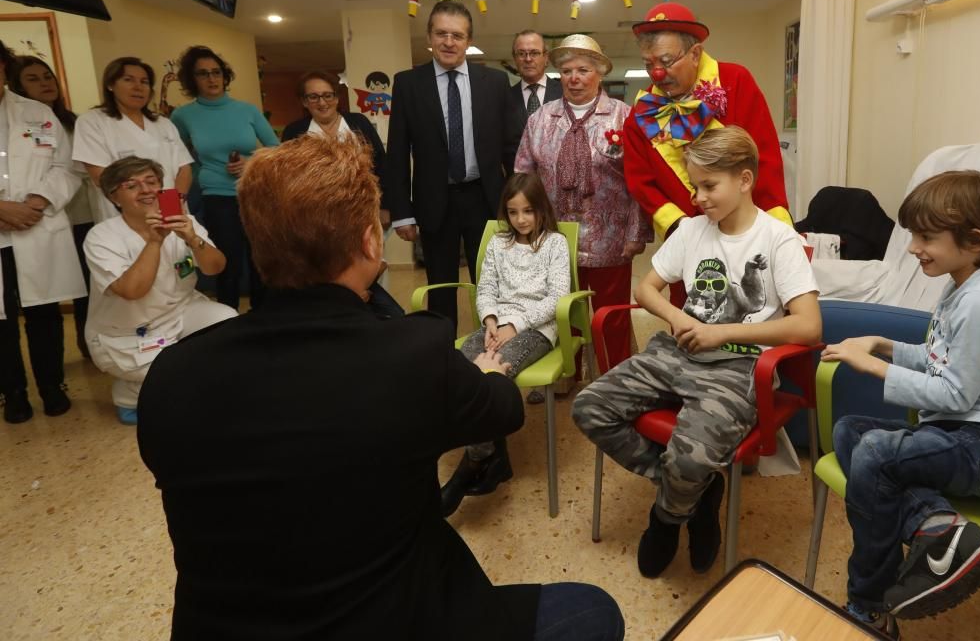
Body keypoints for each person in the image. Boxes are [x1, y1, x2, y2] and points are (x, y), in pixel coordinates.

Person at [136, 134, 624, 641]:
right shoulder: (411, 357)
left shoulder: (172, 375)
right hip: (395, 617)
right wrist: (491, 368)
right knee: (593, 611)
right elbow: (501, 407)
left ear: (258, 245)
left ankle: (482, 463)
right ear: (371, 242)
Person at [573, 127, 821, 578]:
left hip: (738, 365)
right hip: (677, 351)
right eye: (694, 186)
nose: (698, 197)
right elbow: (646, 289)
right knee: (589, 408)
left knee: (690, 456)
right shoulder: (690, 230)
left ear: (745, 180)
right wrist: (681, 318)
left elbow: (809, 325)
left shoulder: (778, 239)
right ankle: (694, 491)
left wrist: (719, 332)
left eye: (709, 186)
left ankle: (667, 517)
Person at [821, 170, 980, 636]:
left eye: (926, 237)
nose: (912, 248)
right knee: (852, 430)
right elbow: (943, 360)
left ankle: (867, 605)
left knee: (873, 451)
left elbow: (953, 392)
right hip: (973, 432)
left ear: (974, 240)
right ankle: (939, 528)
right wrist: (885, 344)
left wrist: (873, 367)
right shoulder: (962, 288)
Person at [514, 34, 652, 405]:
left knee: (611, 316)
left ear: (600, 73)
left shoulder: (624, 117)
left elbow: (641, 181)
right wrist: (526, 229)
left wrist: (637, 232)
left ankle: (615, 384)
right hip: (556, 238)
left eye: (583, 70)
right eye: (567, 71)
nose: (574, 78)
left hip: (610, 236)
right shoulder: (541, 119)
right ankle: (563, 375)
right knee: (561, 312)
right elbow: (523, 177)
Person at [623, 2, 791, 305]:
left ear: (696, 53)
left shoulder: (735, 81)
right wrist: (681, 228)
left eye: (666, 60)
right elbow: (640, 181)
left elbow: (764, 156)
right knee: (692, 315)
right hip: (689, 236)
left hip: (749, 228)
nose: (657, 73)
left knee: (760, 304)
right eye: (649, 64)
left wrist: (776, 223)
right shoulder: (641, 115)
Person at [440, 172, 571, 515]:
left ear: (541, 209)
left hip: (538, 328)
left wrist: (516, 324)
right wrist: (491, 322)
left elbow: (557, 297)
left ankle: (475, 460)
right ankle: (496, 458)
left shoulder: (554, 244)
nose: (521, 219)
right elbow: (485, 290)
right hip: (498, 325)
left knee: (495, 372)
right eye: (513, 212)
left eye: (528, 211)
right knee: (462, 367)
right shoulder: (499, 244)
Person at [386, 1, 525, 326]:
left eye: (457, 35)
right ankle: (442, 355)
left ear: (468, 40)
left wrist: (517, 201)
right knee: (441, 286)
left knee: (490, 283)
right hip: (435, 200)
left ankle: (490, 352)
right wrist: (401, 212)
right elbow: (397, 151)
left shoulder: (494, 82)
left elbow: (510, 148)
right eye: (442, 34)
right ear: (430, 37)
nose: (449, 42)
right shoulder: (408, 83)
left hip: (485, 198)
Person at [83, 157, 235, 425]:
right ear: (114, 197)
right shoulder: (102, 237)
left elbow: (215, 268)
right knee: (173, 377)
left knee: (227, 323)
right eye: (132, 185)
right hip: (128, 329)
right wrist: (154, 241)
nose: (146, 190)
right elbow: (132, 291)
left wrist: (192, 238)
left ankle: (162, 380)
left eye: (151, 182)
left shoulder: (183, 221)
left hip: (181, 312)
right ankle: (130, 393)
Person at [0, 41, 84, 423]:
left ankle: (52, 386)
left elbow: (66, 167)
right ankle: (12, 392)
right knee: (1, 319)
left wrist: (35, 203)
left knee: (44, 312)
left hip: (36, 224)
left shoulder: (39, 115)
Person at [170, 45, 278, 310]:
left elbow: (277, 149)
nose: (211, 79)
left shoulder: (247, 110)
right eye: (203, 74)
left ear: (224, 75)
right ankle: (227, 318)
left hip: (255, 194)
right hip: (217, 196)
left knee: (260, 261)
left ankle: (262, 318)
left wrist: (251, 163)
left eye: (216, 72)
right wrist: (201, 174)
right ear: (192, 80)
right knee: (226, 263)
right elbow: (177, 158)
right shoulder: (183, 116)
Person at [10, 56, 93, 356]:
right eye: (33, 78)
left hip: (80, 216)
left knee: (85, 287)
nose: (45, 83)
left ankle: (89, 344)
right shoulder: (27, 122)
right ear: (16, 84)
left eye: (48, 76)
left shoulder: (73, 121)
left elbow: (71, 168)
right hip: (43, 220)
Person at [72, 57, 193, 223]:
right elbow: (101, 176)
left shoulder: (163, 123)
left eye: (144, 82)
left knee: (177, 247)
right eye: (128, 80)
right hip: (124, 214)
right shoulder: (92, 122)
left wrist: (171, 204)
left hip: (172, 209)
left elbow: (184, 168)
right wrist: (146, 206)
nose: (138, 87)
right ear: (110, 85)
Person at [282, 70, 391, 227]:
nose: (322, 103)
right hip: (314, 218)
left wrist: (385, 207)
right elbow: (288, 177)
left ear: (337, 98)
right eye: (313, 97)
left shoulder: (359, 123)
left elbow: (381, 165)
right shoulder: (293, 132)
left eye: (328, 95)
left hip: (363, 212)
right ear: (304, 101)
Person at [510, 30, 562, 117]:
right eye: (521, 53)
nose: (528, 59)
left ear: (546, 57)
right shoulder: (505, 97)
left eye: (534, 53)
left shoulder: (565, 93)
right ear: (515, 58)